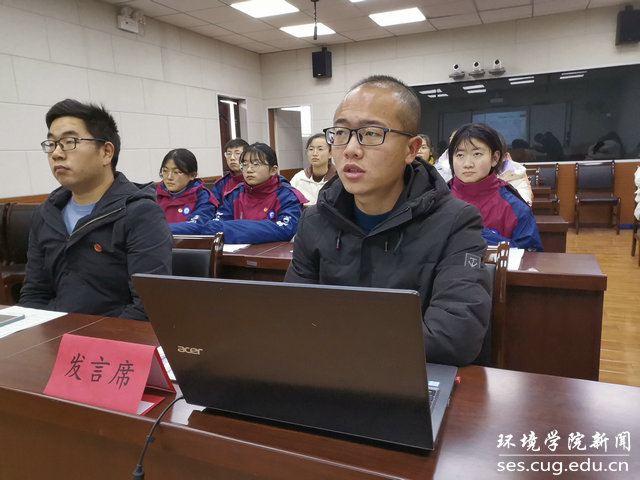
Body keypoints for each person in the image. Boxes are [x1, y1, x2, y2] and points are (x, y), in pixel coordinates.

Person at [285, 75, 491, 367]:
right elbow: (293, 317)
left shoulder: (456, 222)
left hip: (410, 376)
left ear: (411, 149)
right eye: (341, 133)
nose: (351, 149)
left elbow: (454, 338)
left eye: (370, 133)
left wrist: (334, 337)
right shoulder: (315, 220)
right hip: (329, 372)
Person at [19, 99, 172, 321]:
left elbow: (148, 308)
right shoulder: (46, 214)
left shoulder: (140, 214)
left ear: (106, 152)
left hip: (113, 338)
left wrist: (81, 339)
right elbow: (34, 294)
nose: (56, 153)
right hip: (54, 335)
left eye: (69, 142)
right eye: (52, 144)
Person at [170, 142, 308, 244]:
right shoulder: (235, 194)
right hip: (233, 256)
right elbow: (212, 227)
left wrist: (230, 228)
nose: (249, 170)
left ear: (273, 170)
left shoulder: (288, 196)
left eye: (256, 164)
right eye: (245, 164)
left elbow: (285, 231)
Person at [449, 123, 543, 251]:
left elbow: (531, 254)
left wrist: (485, 238)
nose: (467, 164)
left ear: (495, 158)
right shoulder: (438, 200)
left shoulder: (514, 206)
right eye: (460, 155)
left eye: (477, 154)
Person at [156, 148, 218, 225]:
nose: (169, 177)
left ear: (192, 175)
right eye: (165, 171)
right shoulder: (155, 195)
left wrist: (159, 229)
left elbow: (196, 226)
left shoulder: (203, 198)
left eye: (177, 172)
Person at [290, 133, 337, 205]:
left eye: (320, 149)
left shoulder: (338, 179)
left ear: (330, 153)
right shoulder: (299, 178)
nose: (315, 153)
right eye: (311, 149)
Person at [210, 138, 249, 204]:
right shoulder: (222, 183)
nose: (232, 158)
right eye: (228, 154)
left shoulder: (254, 179)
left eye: (237, 153)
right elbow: (213, 205)